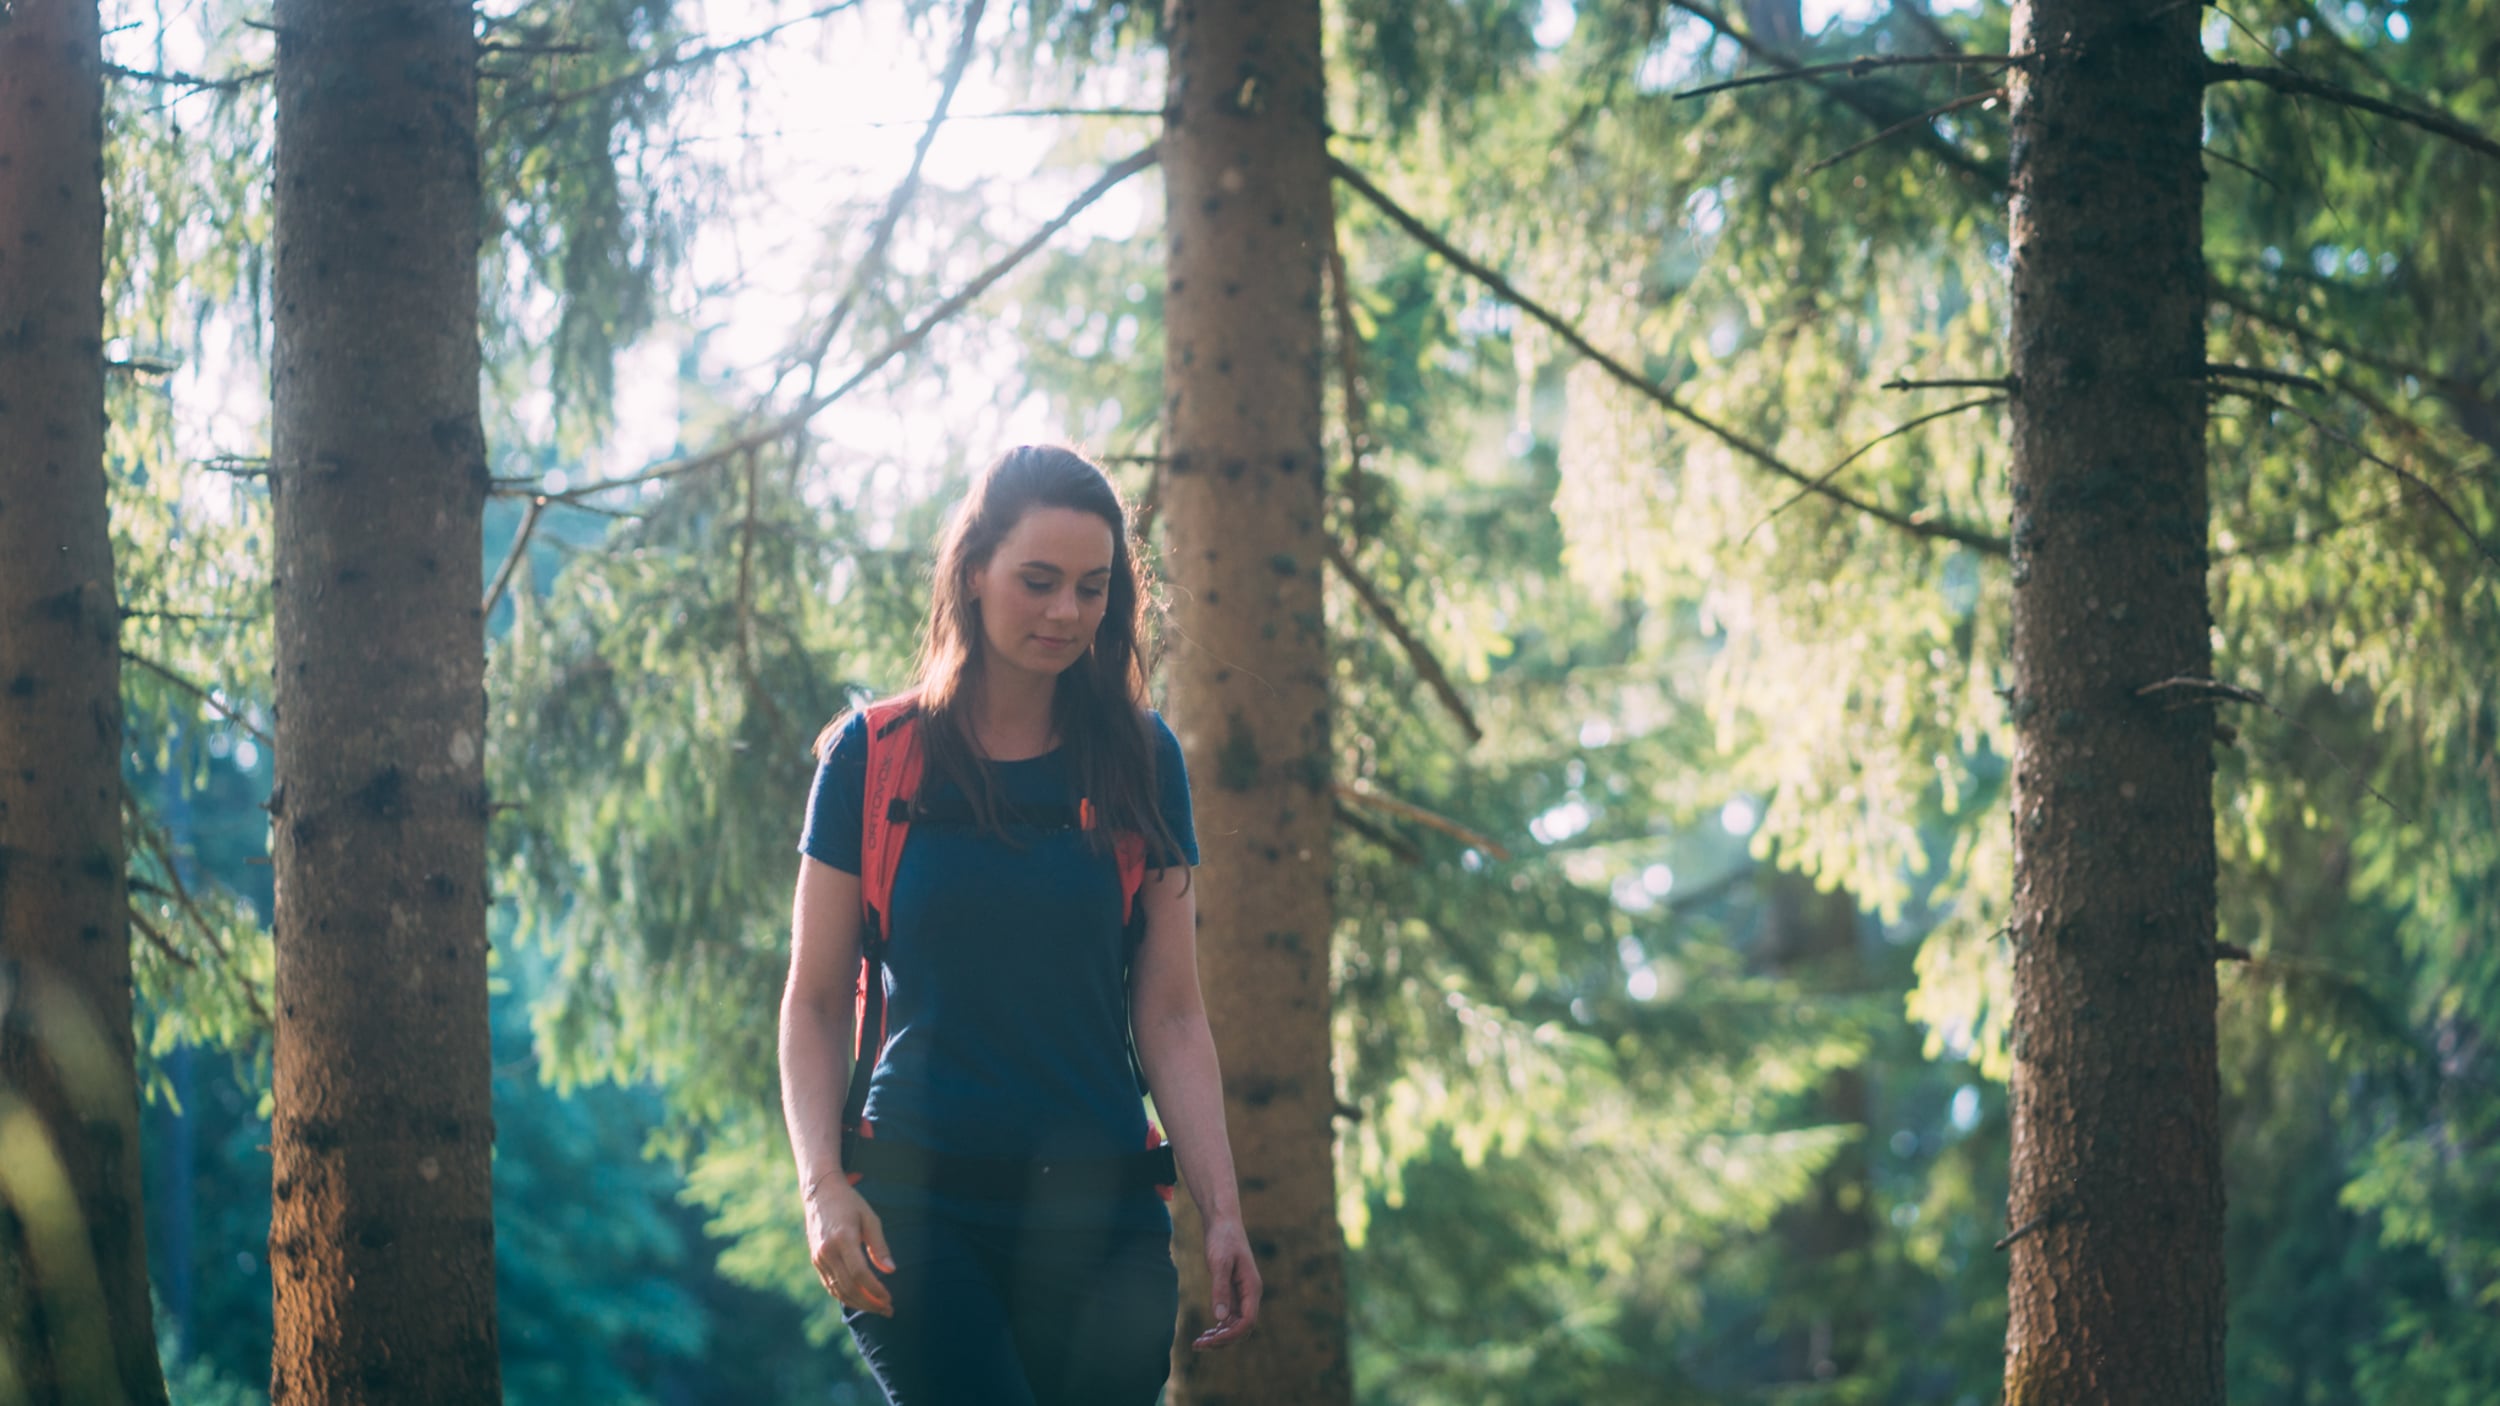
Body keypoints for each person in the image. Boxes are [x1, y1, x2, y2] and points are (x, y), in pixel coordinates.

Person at [779, 444, 1261, 1405]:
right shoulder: (873, 758)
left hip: (1105, 1217)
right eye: (1038, 582)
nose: (1065, 613)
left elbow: (1170, 1012)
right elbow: (818, 997)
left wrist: (1222, 1211)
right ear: (973, 572)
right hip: (913, 1209)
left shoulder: (1142, 760)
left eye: (1092, 588)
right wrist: (821, 1186)